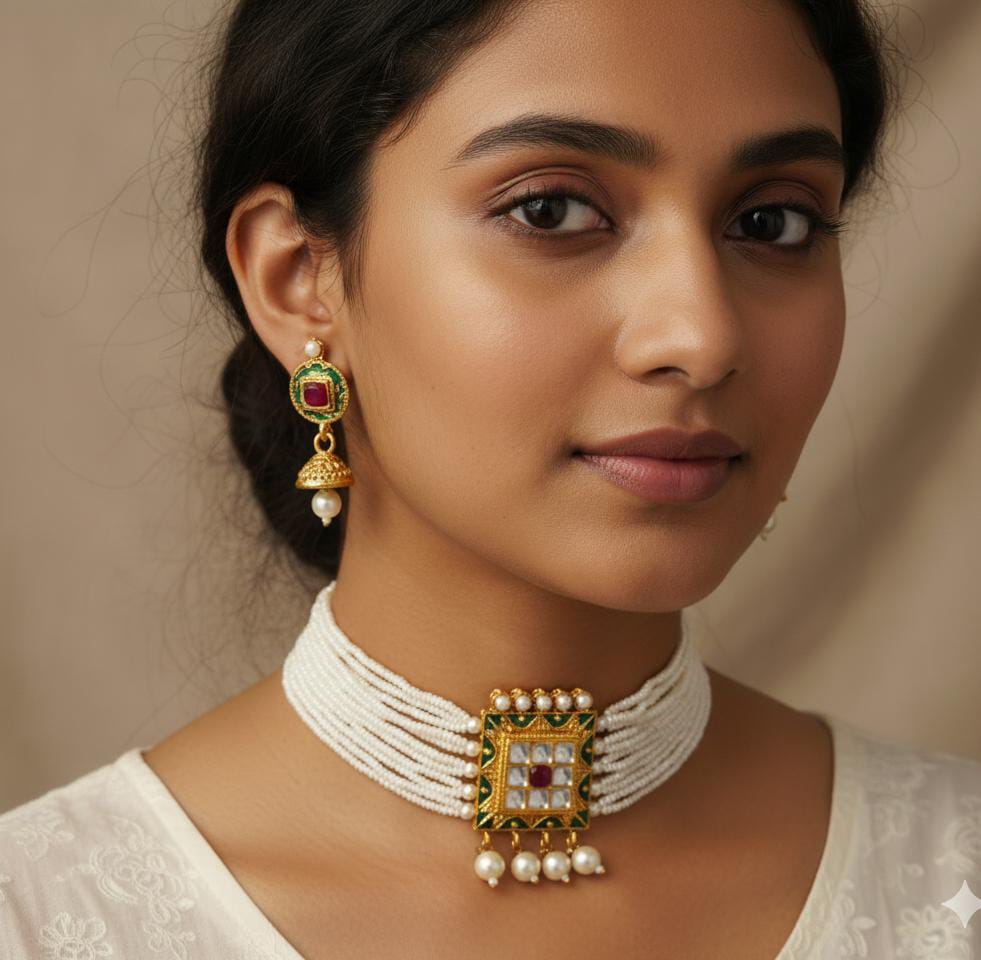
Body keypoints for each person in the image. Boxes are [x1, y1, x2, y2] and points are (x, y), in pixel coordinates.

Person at [3, 0, 980, 957]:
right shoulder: (40, 918)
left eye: (773, 222)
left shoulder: (958, 875)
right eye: (552, 211)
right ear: (298, 278)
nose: (703, 336)